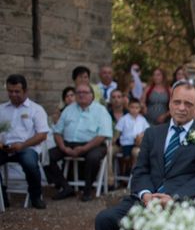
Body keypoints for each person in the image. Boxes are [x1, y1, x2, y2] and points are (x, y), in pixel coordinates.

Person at [95, 81, 195, 230]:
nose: (182, 108)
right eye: (177, 102)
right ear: (169, 103)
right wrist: (145, 195)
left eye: (188, 104)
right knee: (105, 220)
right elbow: (141, 170)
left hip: (180, 205)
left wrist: (174, 198)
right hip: (145, 202)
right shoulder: (153, 133)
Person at [45, 82, 113, 202]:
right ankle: (65, 187)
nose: (81, 95)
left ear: (92, 95)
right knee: (46, 157)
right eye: (78, 93)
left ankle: (87, 190)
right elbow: (57, 132)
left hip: (93, 144)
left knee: (93, 157)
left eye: (85, 92)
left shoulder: (101, 111)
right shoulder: (68, 110)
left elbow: (103, 135)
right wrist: (63, 148)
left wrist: (84, 148)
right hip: (68, 144)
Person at [0, 74, 49, 209]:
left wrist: (22, 145)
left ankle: (36, 196)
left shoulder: (36, 109)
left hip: (27, 147)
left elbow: (42, 135)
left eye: (17, 91)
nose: (13, 94)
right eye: (10, 91)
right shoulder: (1, 109)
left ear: (25, 91)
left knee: (30, 163)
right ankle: (2, 196)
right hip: (4, 147)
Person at [114, 98, 149, 177]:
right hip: (126, 143)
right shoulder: (124, 119)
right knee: (126, 157)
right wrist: (114, 140)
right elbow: (118, 131)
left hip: (137, 143)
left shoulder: (142, 119)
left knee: (137, 155)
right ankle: (125, 171)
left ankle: (133, 172)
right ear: (128, 107)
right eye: (132, 107)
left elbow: (147, 130)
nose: (134, 110)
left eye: (137, 108)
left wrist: (141, 135)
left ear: (140, 109)